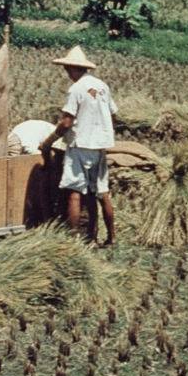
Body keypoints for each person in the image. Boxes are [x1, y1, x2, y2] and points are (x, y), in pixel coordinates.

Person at [40, 46, 116, 247]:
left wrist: (48, 142)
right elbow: (113, 114)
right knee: (102, 193)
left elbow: (66, 122)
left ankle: (74, 241)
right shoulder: (102, 86)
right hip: (100, 146)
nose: (66, 73)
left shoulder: (76, 89)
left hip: (80, 145)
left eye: (67, 69)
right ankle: (111, 238)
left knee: (75, 192)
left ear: (72, 68)